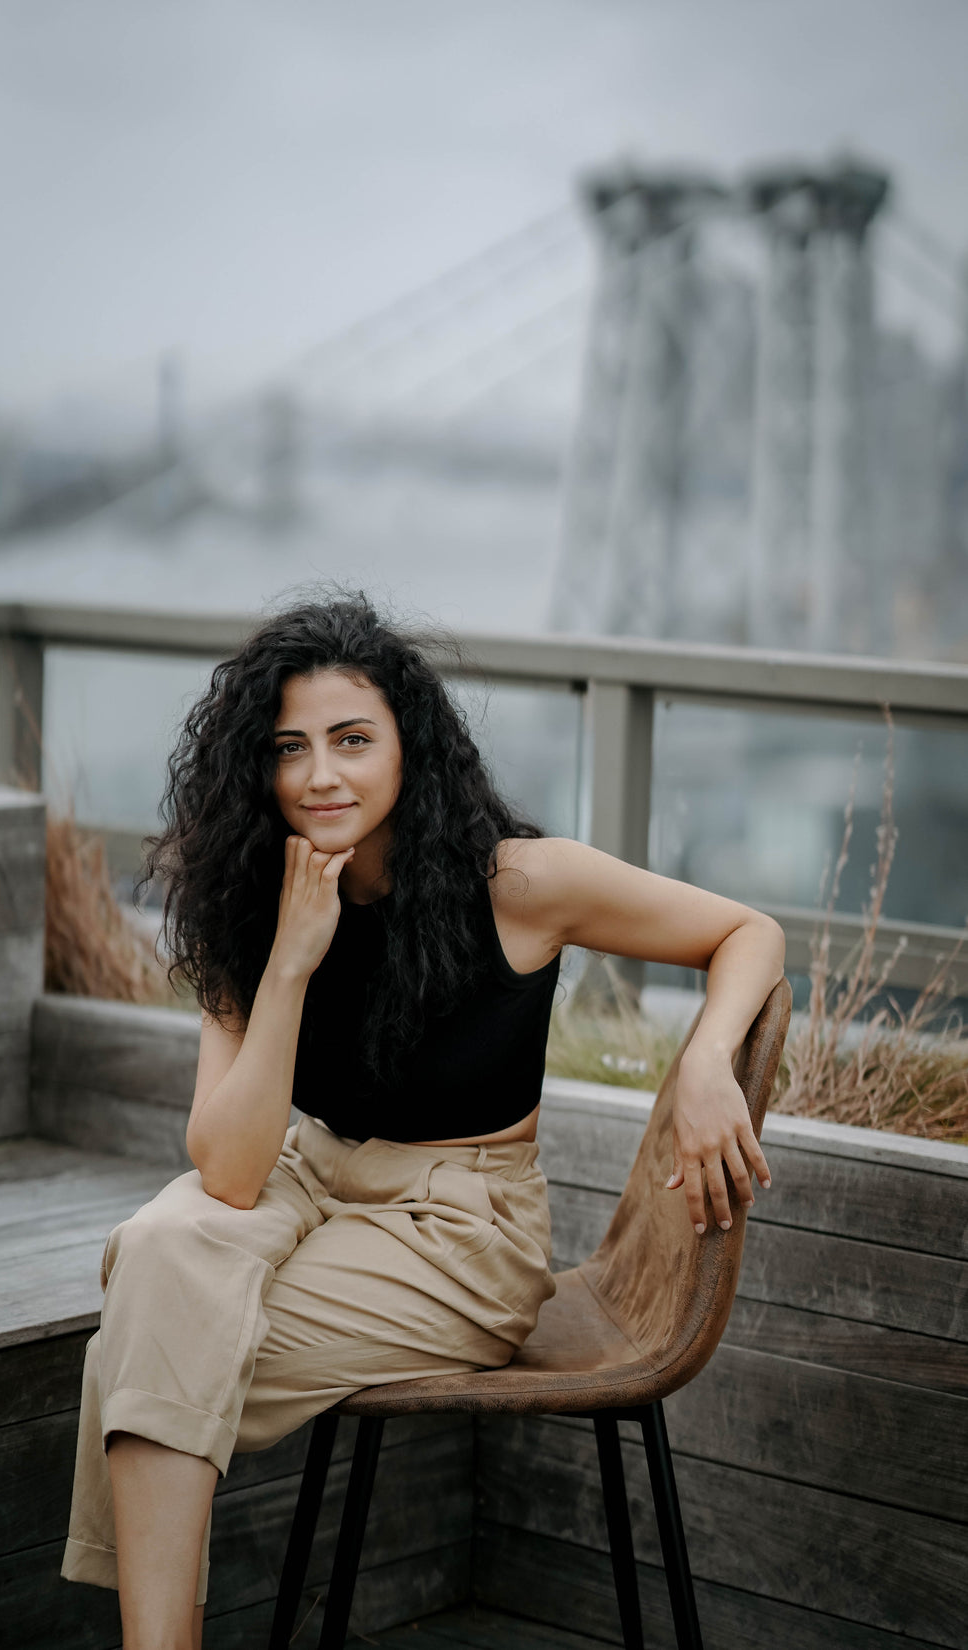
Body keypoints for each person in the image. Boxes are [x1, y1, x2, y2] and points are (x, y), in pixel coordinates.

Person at [61, 593, 785, 1650]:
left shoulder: (518, 882)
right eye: (290, 748)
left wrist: (710, 1059)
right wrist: (292, 961)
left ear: (410, 746)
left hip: (461, 1230)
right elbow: (226, 1171)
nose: (320, 776)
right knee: (167, 1246)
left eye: (353, 741)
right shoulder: (245, 899)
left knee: (147, 1331)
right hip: (302, 1181)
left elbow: (747, 933)